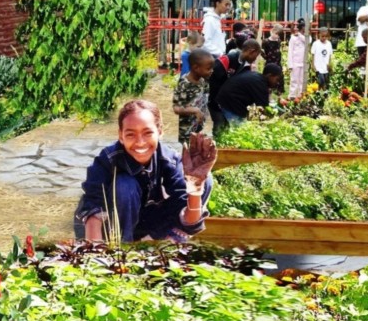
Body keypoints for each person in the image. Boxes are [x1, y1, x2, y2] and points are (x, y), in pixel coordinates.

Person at [74, 100, 216, 243]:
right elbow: (93, 207)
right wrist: (95, 249)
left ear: (160, 131)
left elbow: (185, 210)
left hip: (148, 222)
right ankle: (122, 245)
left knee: (204, 180)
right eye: (131, 134)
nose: (140, 142)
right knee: (125, 185)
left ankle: (169, 238)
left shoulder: (169, 160)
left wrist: (195, 188)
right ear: (121, 136)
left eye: (147, 133)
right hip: (109, 226)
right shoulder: (108, 160)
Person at [207, 39, 261, 135]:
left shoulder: (245, 65)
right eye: (255, 56)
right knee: (219, 127)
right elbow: (212, 81)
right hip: (215, 102)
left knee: (227, 129)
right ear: (251, 51)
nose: (255, 59)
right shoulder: (227, 59)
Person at [215, 63, 284, 126]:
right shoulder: (261, 84)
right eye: (277, 79)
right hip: (229, 103)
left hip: (226, 99)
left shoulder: (258, 78)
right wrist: (275, 120)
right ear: (269, 76)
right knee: (239, 130)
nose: (277, 83)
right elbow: (264, 109)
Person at [173, 49, 214, 142]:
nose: (212, 71)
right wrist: (195, 110)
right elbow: (176, 108)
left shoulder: (204, 81)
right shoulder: (184, 84)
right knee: (188, 149)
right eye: (208, 69)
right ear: (196, 68)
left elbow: (205, 99)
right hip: (186, 131)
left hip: (198, 127)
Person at [287, 19, 308, 99]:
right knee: (294, 80)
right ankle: (292, 95)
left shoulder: (307, 37)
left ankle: (300, 95)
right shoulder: (293, 38)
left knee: (302, 80)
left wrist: (299, 34)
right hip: (295, 63)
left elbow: (307, 41)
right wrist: (290, 64)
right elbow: (290, 51)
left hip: (303, 63)